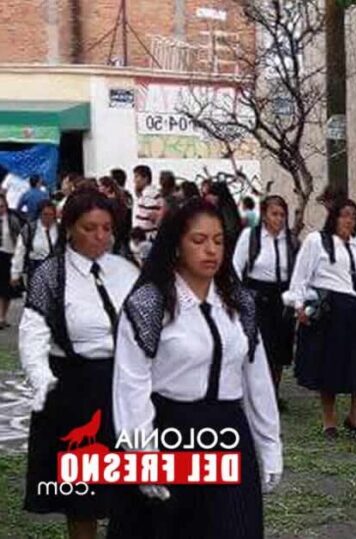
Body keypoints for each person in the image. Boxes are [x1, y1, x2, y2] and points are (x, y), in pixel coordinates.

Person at [108, 198, 282, 538]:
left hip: (228, 434)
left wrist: (269, 444)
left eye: (218, 241)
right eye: (198, 240)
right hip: (170, 433)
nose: (211, 250)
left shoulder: (237, 302)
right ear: (176, 245)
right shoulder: (150, 302)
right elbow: (131, 385)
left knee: (232, 526)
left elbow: (256, 376)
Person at [19, 188, 139, 539]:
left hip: (123, 385)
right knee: (82, 495)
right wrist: (41, 380)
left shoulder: (126, 271)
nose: (100, 237)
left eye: (106, 228)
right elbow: (33, 334)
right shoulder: (51, 276)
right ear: (69, 227)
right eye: (90, 228)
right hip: (74, 390)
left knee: (131, 488)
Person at [285, 198, 356, 440]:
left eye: (353, 216)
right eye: (344, 215)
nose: (349, 220)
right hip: (330, 311)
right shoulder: (317, 241)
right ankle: (329, 421)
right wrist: (298, 305)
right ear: (334, 217)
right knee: (329, 366)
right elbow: (301, 274)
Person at [233, 195, 298, 403]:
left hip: (283, 297)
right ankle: (258, 393)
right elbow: (236, 267)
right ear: (264, 215)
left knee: (280, 349)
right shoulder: (250, 237)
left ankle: (273, 392)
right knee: (262, 346)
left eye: (282, 215)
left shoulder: (291, 240)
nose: (278, 219)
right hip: (257, 296)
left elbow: (299, 271)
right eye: (274, 214)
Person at [12, 200, 59, 288]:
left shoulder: (60, 230)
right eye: (45, 214)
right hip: (35, 271)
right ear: (39, 214)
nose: (48, 218)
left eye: (51, 214)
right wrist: (15, 273)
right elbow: (20, 252)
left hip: (55, 273)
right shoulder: (30, 229)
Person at [0, 196, 25, 327]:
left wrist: (18, 256)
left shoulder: (12, 219)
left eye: (2, 206)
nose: (0, 209)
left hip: (8, 255)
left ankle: (2, 317)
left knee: (6, 290)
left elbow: (19, 237)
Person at [205, 182, 243, 255]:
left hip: (228, 247)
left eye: (211, 195)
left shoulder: (225, 208)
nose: (208, 198)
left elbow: (230, 229)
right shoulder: (228, 205)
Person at [131, 165, 162, 239]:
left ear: (145, 179)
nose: (134, 180)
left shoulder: (149, 196)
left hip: (145, 238)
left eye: (136, 177)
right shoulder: (146, 195)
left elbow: (149, 220)